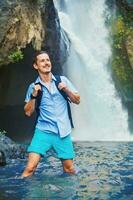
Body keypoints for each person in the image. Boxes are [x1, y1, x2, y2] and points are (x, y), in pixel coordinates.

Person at [21, 51, 80, 178]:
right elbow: (27, 112)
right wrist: (33, 96)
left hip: (63, 133)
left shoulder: (62, 80)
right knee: (30, 168)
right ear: (36, 66)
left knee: (69, 169)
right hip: (43, 132)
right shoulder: (33, 87)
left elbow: (77, 100)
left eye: (47, 60)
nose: (46, 63)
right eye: (42, 61)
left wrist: (65, 89)